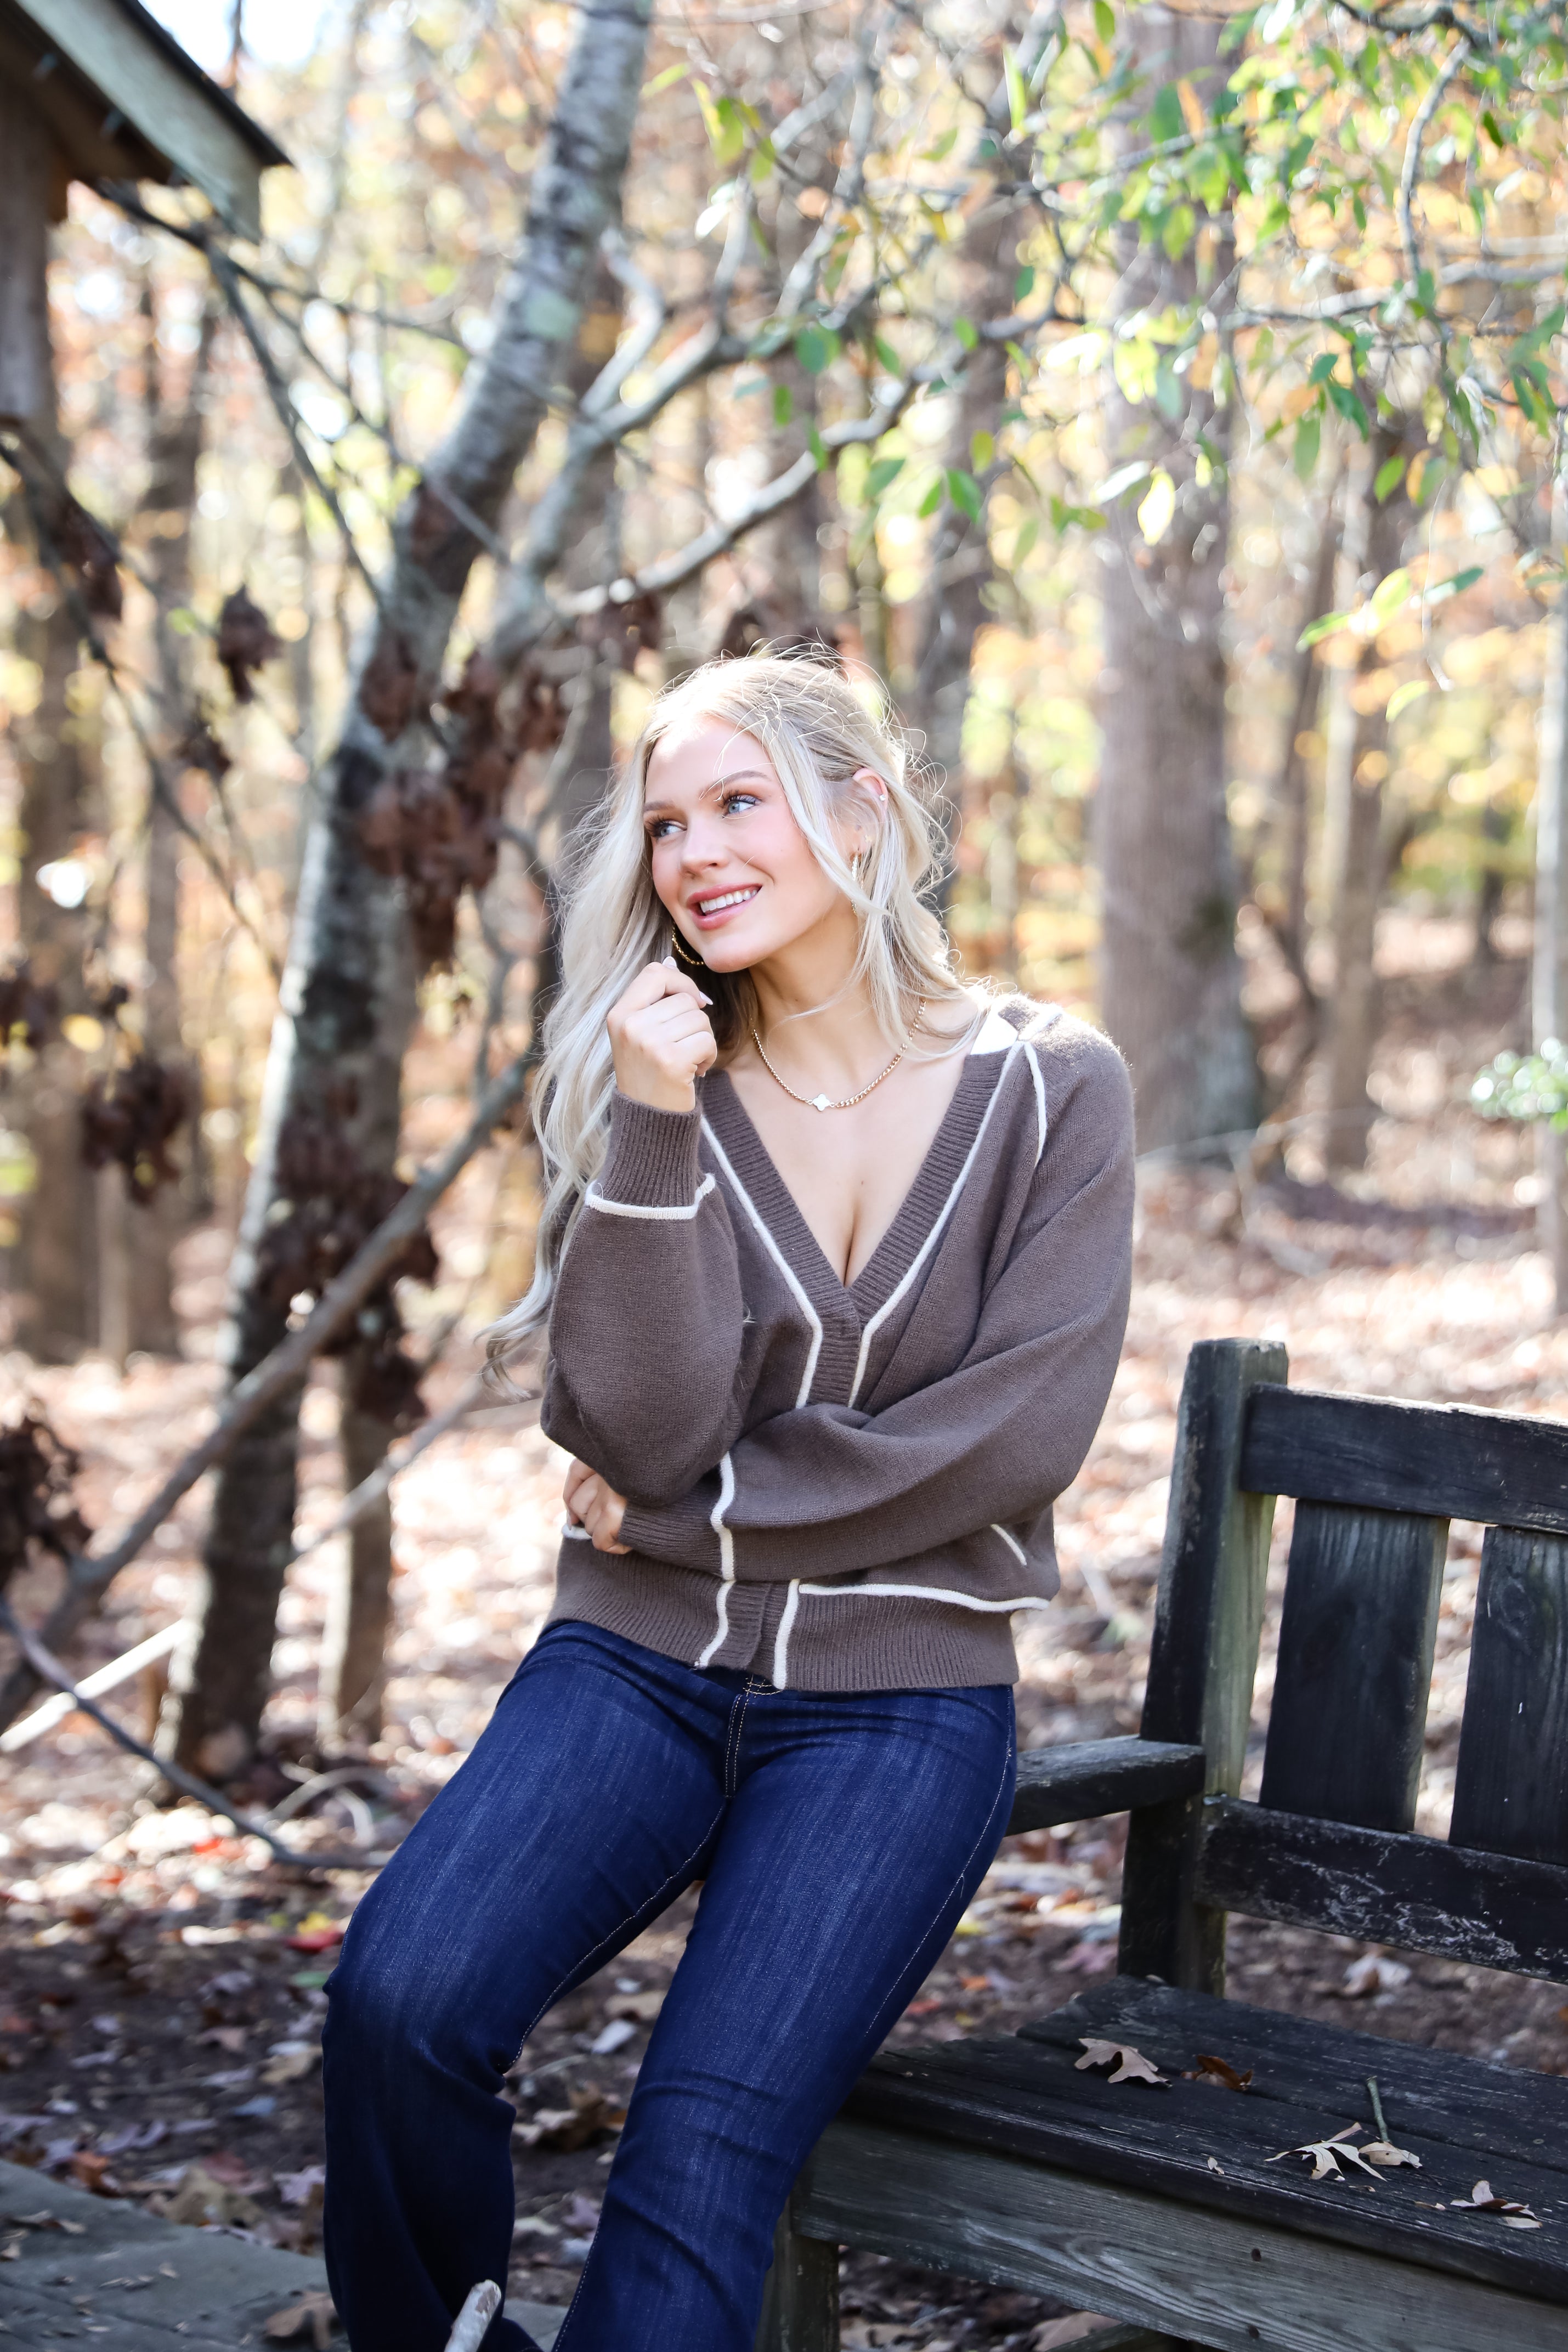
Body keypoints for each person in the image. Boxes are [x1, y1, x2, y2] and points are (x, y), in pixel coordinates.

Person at [321, 653, 1135, 2352]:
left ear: (863, 809)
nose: (692, 853)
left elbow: (1007, 1443)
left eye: (736, 802)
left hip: (899, 1707)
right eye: (667, 821)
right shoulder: (659, 1078)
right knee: (400, 2002)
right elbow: (631, 1425)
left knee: (697, 2159)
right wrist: (650, 1115)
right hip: (630, 1665)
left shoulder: (1054, 1086)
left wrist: (695, 1516)